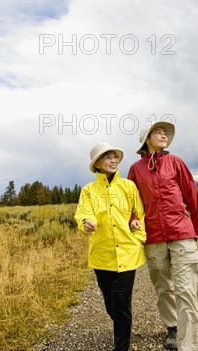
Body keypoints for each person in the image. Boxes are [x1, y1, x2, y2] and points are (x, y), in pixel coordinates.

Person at [128, 122, 198, 351]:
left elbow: (192, 194)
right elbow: (132, 201)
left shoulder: (175, 162)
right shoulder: (135, 169)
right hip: (153, 237)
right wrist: (133, 218)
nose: (163, 135)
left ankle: (188, 344)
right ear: (146, 139)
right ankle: (173, 327)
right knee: (163, 288)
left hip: (181, 233)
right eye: (158, 132)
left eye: (165, 133)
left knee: (185, 289)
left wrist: (196, 227)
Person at [75, 143, 147, 351]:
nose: (113, 160)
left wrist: (138, 236)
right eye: (107, 157)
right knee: (110, 304)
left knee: (122, 302)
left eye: (115, 156)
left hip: (127, 253)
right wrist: (86, 224)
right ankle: (122, 327)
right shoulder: (89, 191)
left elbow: (139, 213)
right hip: (101, 255)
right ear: (97, 163)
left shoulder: (128, 187)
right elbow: (82, 214)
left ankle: (121, 345)